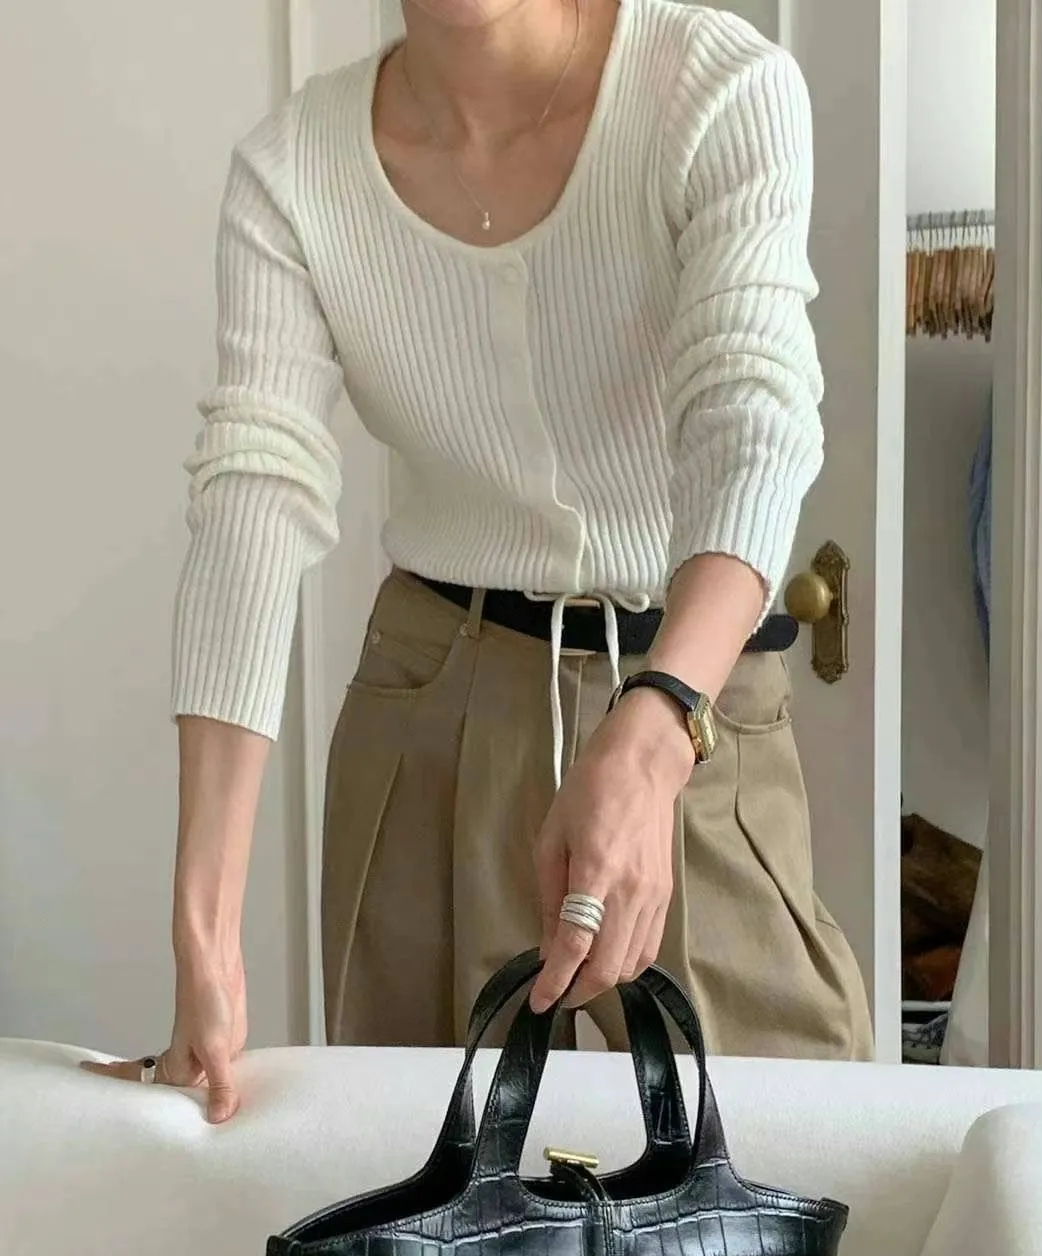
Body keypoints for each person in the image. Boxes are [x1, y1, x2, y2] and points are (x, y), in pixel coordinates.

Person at [85, 0, 873, 1122]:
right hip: (433, 720)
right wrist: (202, 935)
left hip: (690, 699)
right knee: (427, 1176)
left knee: (784, 1145)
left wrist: (655, 732)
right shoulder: (293, 171)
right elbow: (254, 495)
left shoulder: (714, 86)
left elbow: (750, 419)